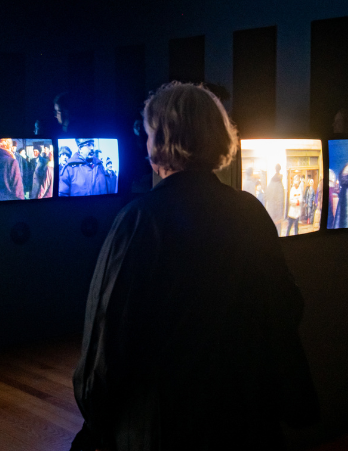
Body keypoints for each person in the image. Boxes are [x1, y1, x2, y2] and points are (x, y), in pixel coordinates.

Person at [71, 82, 318, 451]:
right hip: (244, 416)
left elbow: (109, 331)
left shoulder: (140, 219)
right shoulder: (250, 211)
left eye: (149, 132)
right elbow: (287, 305)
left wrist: (95, 417)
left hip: (164, 423)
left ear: (162, 140)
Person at [265, 164, 286, 236]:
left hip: (270, 212)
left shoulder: (271, 183)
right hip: (277, 213)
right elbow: (281, 200)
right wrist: (281, 215)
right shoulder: (279, 183)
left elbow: (266, 196)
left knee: (271, 232)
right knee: (277, 232)